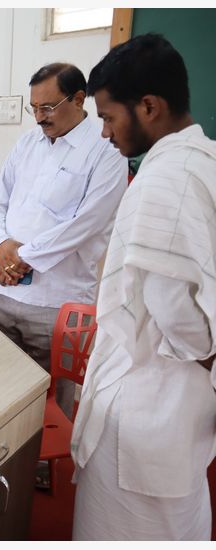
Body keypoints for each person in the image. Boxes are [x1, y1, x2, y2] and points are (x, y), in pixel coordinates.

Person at [71, 33, 216, 540]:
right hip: (180, 408)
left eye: (109, 118)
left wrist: (206, 353)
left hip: (147, 407)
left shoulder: (164, 180)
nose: (106, 134)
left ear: (149, 107)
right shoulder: (204, 160)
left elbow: (183, 321)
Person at [0, 63, 128, 417]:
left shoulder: (105, 151)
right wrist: (0, 245)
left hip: (55, 304)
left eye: (47, 107)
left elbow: (86, 224)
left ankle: (41, 469)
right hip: (3, 293)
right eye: (34, 108)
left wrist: (20, 257)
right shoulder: (28, 143)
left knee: (48, 404)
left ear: (78, 99)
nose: (39, 118)